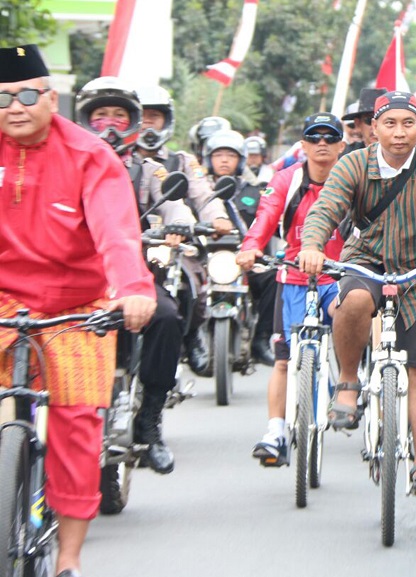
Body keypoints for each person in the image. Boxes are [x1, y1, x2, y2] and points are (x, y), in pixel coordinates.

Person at [0, 44, 156, 577]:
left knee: (77, 428)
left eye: (25, 95)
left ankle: (68, 560)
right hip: (3, 300)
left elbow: (116, 230)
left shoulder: (91, 156)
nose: (15, 108)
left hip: (77, 307)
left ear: (50, 97)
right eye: (2, 100)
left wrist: (132, 288)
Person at [298, 91, 416, 496]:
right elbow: (326, 208)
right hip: (367, 261)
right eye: (390, 124)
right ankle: (348, 381)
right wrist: (311, 245)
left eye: (408, 124)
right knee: (355, 301)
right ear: (373, 129)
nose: (399, 133)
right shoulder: (354, 163)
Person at [76, 77, 228, 475]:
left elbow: (179, 206)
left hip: (137, 278)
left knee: (165, 317)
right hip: (73, 286)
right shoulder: (67, 165)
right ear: (84, 121)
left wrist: (183, 225)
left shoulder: (153, 170)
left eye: (119, 115)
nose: (109, 124)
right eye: (99, 116)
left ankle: (150, 422)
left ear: (134, 123)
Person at [236, 113, 346, 465]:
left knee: (352, 322)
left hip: (340, 278)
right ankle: (275, 432)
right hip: (294, 281)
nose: (323, 144)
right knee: (284, 361)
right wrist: (251, 246)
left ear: (342, 145)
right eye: (315, 138)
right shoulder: (286, 179)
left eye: (331, 138)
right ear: (303, 145)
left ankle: (347, 387)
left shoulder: (353, 178)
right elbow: (266, 216)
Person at [133, 84, 232, 374]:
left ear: (167, 121)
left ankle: (191, 336)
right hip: (131, 244)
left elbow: (201, 195)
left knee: (192, 282)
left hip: (176, 241)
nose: (148, 123)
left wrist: (216, 219)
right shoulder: (119, 159)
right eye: (141, 116)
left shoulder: (183, 161)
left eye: (154, 116)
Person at [203, 129, 276, 366]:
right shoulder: (199, 190)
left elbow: (271, 218)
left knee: (273, 278)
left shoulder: (255, 190)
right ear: (208, 159)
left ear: (240, 160)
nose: (224, 160)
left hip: (244, 259)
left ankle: (261, 339)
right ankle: (190, 341)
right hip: (205, 259)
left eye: (230, 155)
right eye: (218, 155)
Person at [341, 87, 387, 153]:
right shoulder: (347, 157)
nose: (375, 127)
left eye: (382, 120)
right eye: (369, 120)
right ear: (358, 124)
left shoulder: (404, 155)